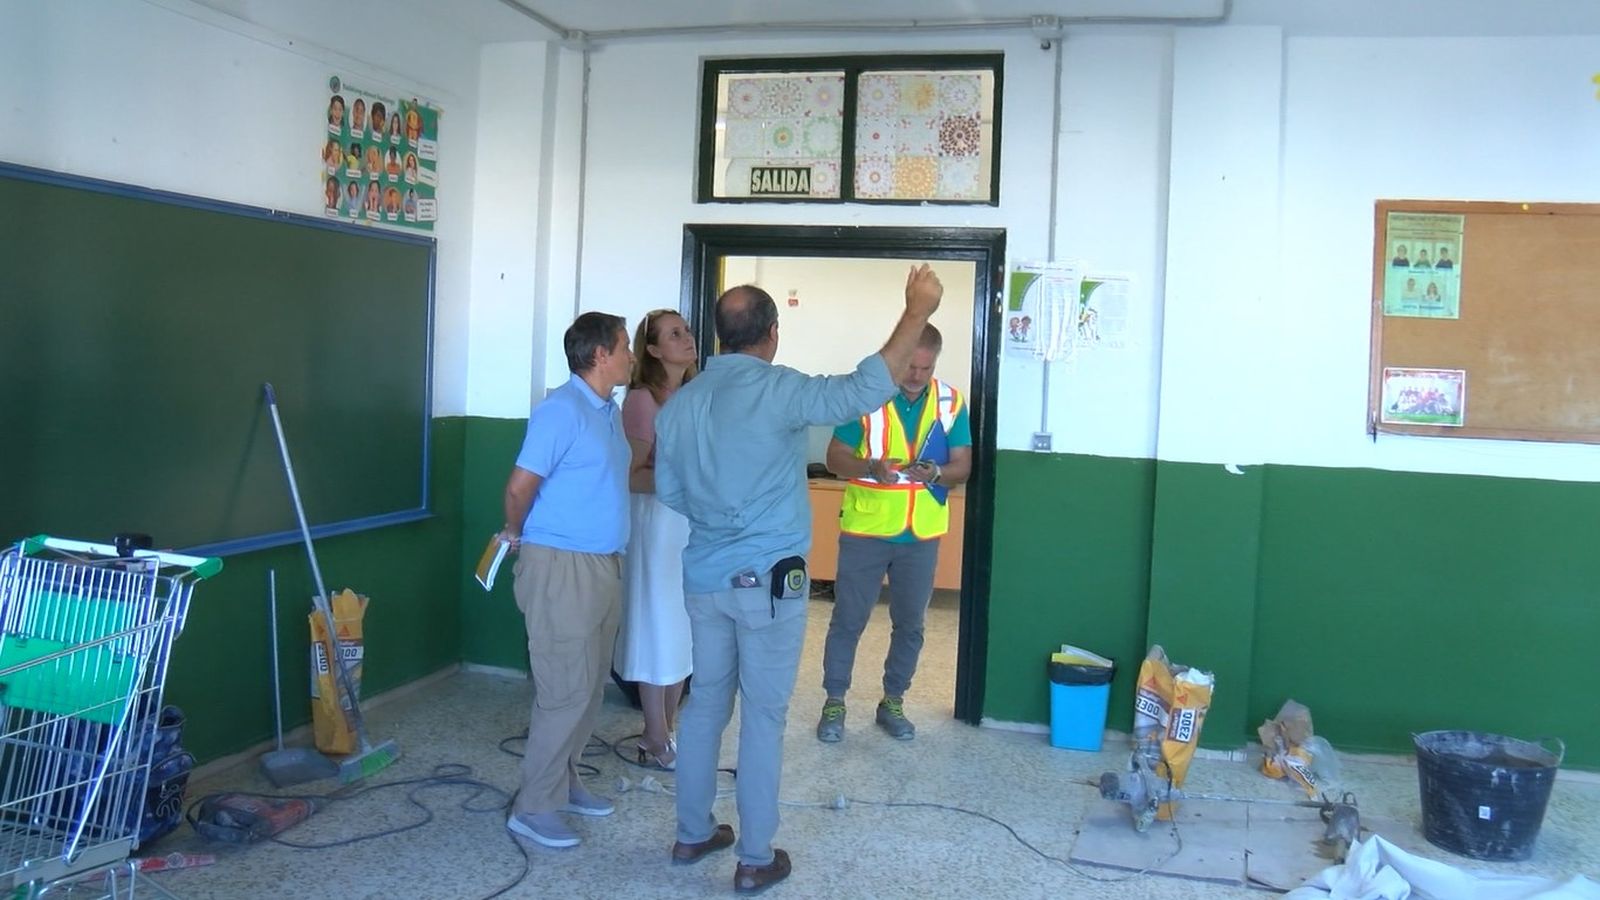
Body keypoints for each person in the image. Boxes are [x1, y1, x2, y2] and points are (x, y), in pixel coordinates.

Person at [655, 265, 944, 894]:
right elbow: (864, 389)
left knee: (705, 703)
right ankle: (756, 856)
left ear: (719, 337)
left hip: (704, 577)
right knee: (762, 714)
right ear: (772, 334)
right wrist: (916, 310)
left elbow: (671, 491)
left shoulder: (680, 406)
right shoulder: (780, 389)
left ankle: (691, 833)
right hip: (766, 584)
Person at [497, 312, 634, 850]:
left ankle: (566, 779)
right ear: (599, 354)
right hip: (560, 568)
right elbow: (518, 487)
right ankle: (533, 807)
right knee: (563, 690)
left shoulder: (607, 411)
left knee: (589, 684)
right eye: (624, 346)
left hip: (603, 566)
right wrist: (514, 532)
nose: (630, 354)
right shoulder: (561, 409)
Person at [816, 323, 972, 744]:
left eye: (925, 367)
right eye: (909, 364)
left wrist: (939, 472)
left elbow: (962, 466)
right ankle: (834, 702)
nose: (915, 375)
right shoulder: (867, 395)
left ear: (935, 363)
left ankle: (893, 702)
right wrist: (871, 466)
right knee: (848, 619)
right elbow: (834, 458)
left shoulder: (949, 401)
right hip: (867, 529)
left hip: (920, 534)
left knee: (911, 624)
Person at [614, 309, 699, 770]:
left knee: (683, 629)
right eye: (674, 334)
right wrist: (686, 483)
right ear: (652, 349)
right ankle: (654, 733)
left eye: (686, 331)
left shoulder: (694, 395)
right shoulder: (642, 401)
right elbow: (633, 476)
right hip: (656, 527)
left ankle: (666, 730)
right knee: (656, 625)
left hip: (689, 526)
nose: (687, 339)